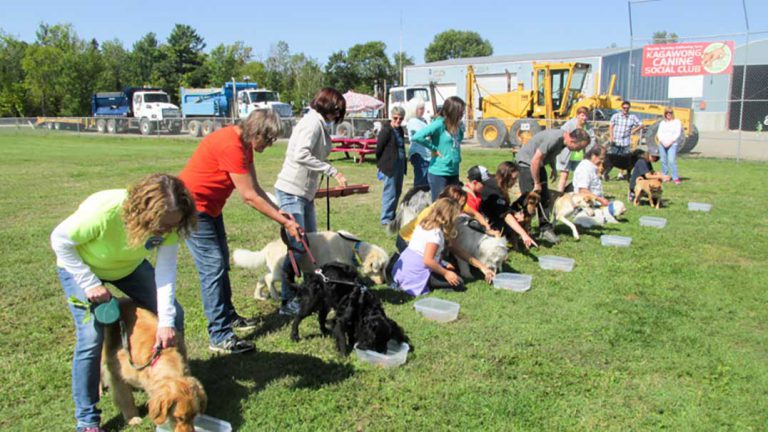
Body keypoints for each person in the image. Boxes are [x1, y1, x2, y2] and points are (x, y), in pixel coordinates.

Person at [51, 174, 197, 432]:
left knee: (174, 315)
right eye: (163, 225)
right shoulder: (104, 213)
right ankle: (87, 419)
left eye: (174, 225)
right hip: (81, 266)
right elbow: (59, 241)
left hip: (127, 267)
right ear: (145, 213)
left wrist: (166, 322)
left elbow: (165, 272)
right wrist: (89, 283)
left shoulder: (171, 223)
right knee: (91, 336)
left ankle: (177, 386)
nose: (168, 231)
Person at [180, 109, 300, 354]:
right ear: (257, 133)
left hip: (211, 208)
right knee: (213, 268)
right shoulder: (231, 145)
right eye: (269, 139)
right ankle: (220, 336)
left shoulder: (245, 145)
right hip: (193, 209)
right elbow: (249, 196)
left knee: (221, 263)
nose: (270, 144)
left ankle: (229, 316)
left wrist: (281, 213)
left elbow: (256, 187)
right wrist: (285, 222)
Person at [274, 87, 347, 316]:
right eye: (336, 110)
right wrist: (331, 170)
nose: (338, 115)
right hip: (291, 191)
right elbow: (301, 154)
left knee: (310, 246)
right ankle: (287, 299)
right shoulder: (312, 123)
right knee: (298, 247)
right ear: (327, 105)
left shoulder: (319, 124)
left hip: (304, 194)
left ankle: (310, 294)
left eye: (340, 112)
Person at [392, 198, 495, 296]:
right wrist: (446, 273)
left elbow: (457, 250)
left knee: (453, 273)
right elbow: (427, 260)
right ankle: (427, 284)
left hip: (407, 265)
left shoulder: (426, 224)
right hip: (417, 272)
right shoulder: (435, 235)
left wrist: (483, 267)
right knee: (458, 282)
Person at [515, 128, 591, 244]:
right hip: (526, 163)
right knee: (529, 201)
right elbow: (535, 160)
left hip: (538, 164)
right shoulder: (555, 139)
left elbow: (549, 153)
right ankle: (525, 232)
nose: (579, 151)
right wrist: (537, 183)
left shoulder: (563, 142)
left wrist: (553, 168)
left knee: (545, 198)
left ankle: (545, 229)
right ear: (572, 141)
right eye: (579, 147)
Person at [411, 96, 466, 202]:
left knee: (454, 204)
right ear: (453, 111)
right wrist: (433, 148)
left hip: (454, 171)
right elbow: (417, 136)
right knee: (440, 204)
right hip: (439, 172)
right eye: (460, 112)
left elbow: (458, 141)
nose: (462, 114)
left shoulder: (457, 126)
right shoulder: (439, 124)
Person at [479, 161, 538, 249]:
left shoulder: (496, 182)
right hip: (485, 222)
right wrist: (524, 234)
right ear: (506, 176)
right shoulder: (495, 189)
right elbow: (505, 214)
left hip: (491, 216)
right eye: (514, 179)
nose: (515, 182)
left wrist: (514, 213)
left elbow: (502, 208)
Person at [395, 184, 467, 253]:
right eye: (460, 206)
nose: (461, 209)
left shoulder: (441, 209)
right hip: (406, 240)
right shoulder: (436, 213)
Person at [376, 106, 407, 225]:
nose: (398, 121)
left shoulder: (400, 130)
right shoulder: (386, 130)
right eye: (395, 118)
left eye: (401, 118)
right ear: (391, 117)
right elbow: (379, 148)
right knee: (390, 191)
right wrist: (381, 165)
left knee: (397, 191)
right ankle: (386, 218)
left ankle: (391, 215)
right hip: (389, 165)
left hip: (400, 164)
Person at [555, 106, 597, 192]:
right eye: (582, 115)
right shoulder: (570, 124)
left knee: (579, 176)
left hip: (580, 156)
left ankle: (577, 193)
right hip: (566, 155)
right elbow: (562, 134)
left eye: (586, 115)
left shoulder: (588, 127)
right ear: (577, 115)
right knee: (564, 175)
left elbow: (592, 139)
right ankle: (559, 193)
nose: (584, 118)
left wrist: (588, 150)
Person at [606, 100, 643, 180]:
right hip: (616, 140)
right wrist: (611, 137)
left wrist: (634, 130)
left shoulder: (632, 117)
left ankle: (621, 174)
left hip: (626, 142)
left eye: (627, 108)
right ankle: (605, 173)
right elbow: (611, 126)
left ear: (629, 108)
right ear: (621, 108)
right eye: (624, 108)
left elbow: (641, 125)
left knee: (624, 159)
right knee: (612, 159)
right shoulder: (616, 116)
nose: (625, 109)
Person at [405, 97, 431, 189]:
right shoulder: (413, 121)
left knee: (426, 180)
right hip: (419, 154)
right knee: (421, 181)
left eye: (423, 108)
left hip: (426, 154)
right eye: (420, 108)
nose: (423, 110)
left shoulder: (423, 120)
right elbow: (423, 135)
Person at [656, 107, 682, 184]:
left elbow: (677, 133)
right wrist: (662, 141)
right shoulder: (662, 123)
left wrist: (670, 142)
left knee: (671, 160)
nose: (668, 114)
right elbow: (659, 133)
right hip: (662, 144)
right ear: (665, 114)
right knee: (663, 160)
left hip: (672, 144)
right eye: (667, 113)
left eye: (670, 113)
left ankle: (675, 177)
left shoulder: (677, 122)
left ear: (672, 114)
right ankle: (665, 176)